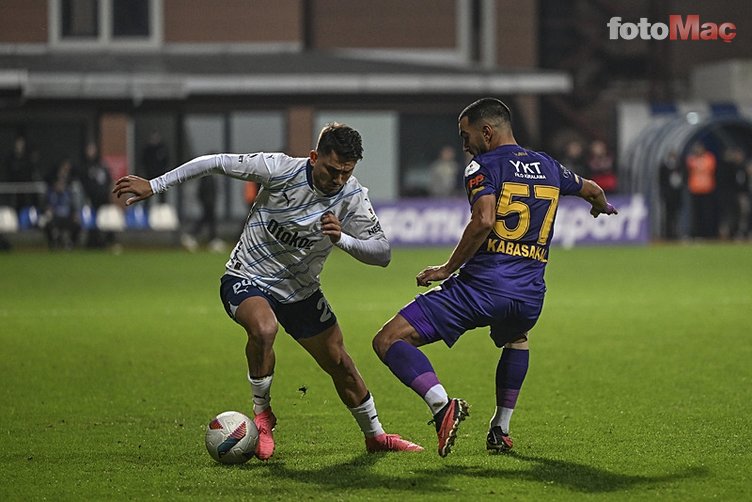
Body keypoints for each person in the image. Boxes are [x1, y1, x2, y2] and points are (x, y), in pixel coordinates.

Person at [113, 123, 423, 459]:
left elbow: (383, 254)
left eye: (346, 172)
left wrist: (342, 239)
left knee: (339, 362)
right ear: (314, 157)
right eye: (332, 170)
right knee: (264, 328)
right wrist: (155, 185)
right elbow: (214, 162)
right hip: (248, 275)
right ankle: (262, 415)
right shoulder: (278, 169)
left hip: (301, 289)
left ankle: (375, 437)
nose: (338, 180)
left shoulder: (352, 197)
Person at [371, 98, 617, 457]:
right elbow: (592, 189)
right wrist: (601, 206)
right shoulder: (549, 165)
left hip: (483, 288)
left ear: (486, 132)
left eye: (465, 135)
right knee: (515, 337)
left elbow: (484, 220)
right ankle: (500, 428)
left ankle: (442, 407)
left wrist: (446, 269)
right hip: (530, 295)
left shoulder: (481, 166)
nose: (464, 144)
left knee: (388, 340)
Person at [80, 141, 114, 248]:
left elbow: (108, 180)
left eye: (92, 149)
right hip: (92, 198)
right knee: (93, 221)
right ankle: (93, 242)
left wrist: (108, 192)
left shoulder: (102, 165)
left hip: (103, 197)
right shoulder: (85, 166)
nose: (91, 152)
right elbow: (84, 182)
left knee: (106, 219)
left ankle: (107, 241)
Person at [685, 142, 717, 239]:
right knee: (696, 214)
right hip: (695, 190)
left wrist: (697, 164)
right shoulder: (691, 158)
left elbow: (708, 167)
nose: (698, 150)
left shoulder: (709, 157)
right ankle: (697, 233)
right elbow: (689, 166)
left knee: (707, 213)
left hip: (707, 190)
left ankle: (708, 233)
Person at [658, 150, 684, 240]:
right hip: (668, 196)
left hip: (676, 196)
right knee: (668, 215)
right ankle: (668, 233)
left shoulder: (679, 166)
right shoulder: (664, 167)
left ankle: (676, 233)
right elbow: (661, 182)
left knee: (676, 215)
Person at [141, 130, 170, 202]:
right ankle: (146, 210)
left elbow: (166, 161)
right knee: (148, 195)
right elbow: (143, 161)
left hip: (161, 175)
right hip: (149, 175)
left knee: (162, 197)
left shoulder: (162, 148)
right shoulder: (147, 149)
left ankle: (162, 210)